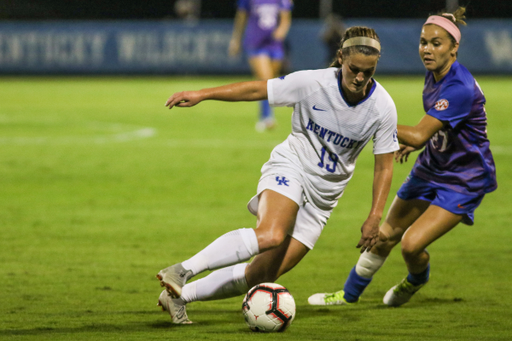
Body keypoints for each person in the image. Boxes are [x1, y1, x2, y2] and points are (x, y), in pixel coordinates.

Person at [156, 26, 399, 324]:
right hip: (291, 168)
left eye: (368, 71)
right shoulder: (312, 82)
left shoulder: (383, 107)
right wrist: (203, 94)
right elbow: (258, 89)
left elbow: (384, 165)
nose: (360, 78)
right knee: (271, 234)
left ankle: (178, 296)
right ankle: (182, 269)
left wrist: (375, 216)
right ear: (340, 59)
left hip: (323, 199)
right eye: (354, 69)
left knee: (262, 273)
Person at [308, 7, 497, 308]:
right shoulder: (435, 74)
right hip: (433, 165)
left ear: (454, 47)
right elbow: (438, 129)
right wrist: (419, 142)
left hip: (464, 179)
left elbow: (421, 133)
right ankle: (347, 295)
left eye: (436, 43)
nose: (427, 49)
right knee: (384, 236)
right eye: (424, 42)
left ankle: (416, 279)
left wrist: (369, 118)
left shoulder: (459, 87)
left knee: (410, 246)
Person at [228, 0, 293, 132]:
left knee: (271, 82)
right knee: (265, 79)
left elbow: (285, 19)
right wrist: (236, 39)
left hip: (274, 44)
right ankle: (267, 117)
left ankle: (264, 115)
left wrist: (281, 31)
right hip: (255, 43)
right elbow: (241, 17)